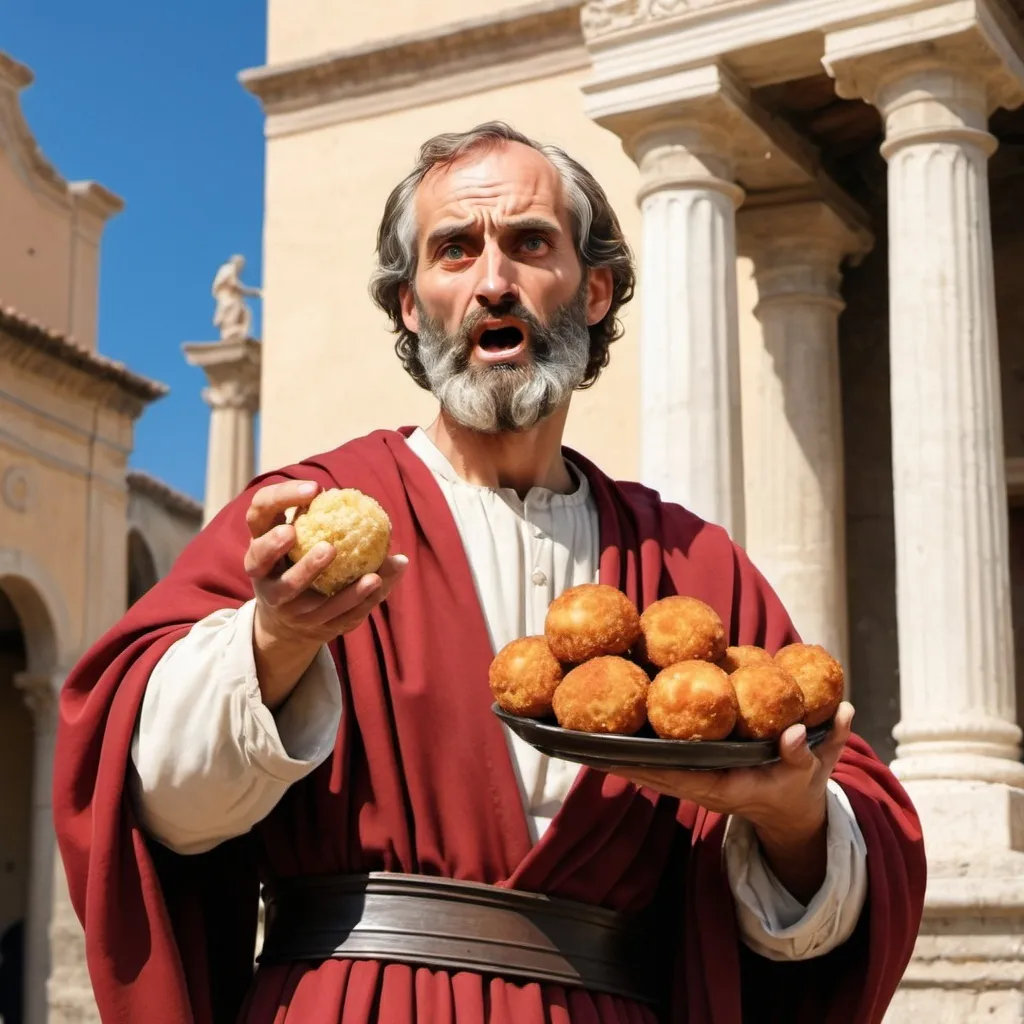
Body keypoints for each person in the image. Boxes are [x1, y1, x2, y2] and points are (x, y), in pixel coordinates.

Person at [53, 123, 925, 1024]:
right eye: (454, 250)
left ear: (593, 290)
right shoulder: (302, 522)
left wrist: (792, 820)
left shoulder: (693, 566)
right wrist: (273, 642)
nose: (491, 280)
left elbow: (842, 874)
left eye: (529, 243)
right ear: (410, 305)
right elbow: (154, 807)